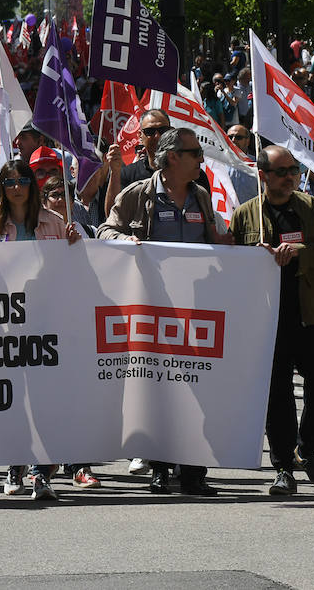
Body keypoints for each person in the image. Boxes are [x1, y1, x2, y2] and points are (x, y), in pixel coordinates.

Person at [98, 128, 229, 495]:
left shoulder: (201, 197)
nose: (200, 159)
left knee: (196, 389)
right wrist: (125, 240)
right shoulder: (138, 195)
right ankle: (159, 467)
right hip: (153, 310)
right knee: (158, 389)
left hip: (196, 310)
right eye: (194, 152)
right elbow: (105, 230)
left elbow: (217, 242)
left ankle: (193, 473)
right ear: (173, 157)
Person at [230, 146, 314, 495]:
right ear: (263, 175)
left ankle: (307, 448)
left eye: (294, 170)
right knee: (277, 395)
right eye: (282, 171)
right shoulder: (245, 215)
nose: (290, 176)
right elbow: (231, 263)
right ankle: (283, 468)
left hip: (309, 314)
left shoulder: (312, 209)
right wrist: (254, 258)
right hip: (266, 318)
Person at [0, 159, 81, 501]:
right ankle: (14, 464)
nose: (16, 187)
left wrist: (76, 239)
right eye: (9, 181)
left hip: (46, 322)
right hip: (7, 325)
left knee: (44, 400)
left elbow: (75, 268)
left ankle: (41, 472)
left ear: (32, 185)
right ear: (2, 188)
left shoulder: (55, 222)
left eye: (22, 180)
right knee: (13, 399)